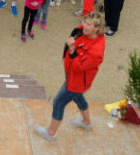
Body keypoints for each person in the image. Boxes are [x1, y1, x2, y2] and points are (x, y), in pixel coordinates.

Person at [34, 13, 106, 142]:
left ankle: (50, 133)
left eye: (88, 24)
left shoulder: (97, 51)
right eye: (85, 22)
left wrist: (72, 49)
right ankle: (87, 122)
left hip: (77, 81)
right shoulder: (86, 32)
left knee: (58, 102)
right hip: (72, 76)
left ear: (96, 28)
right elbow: (78, 28)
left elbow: (79, 66)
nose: (84, 25)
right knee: (78, 97)